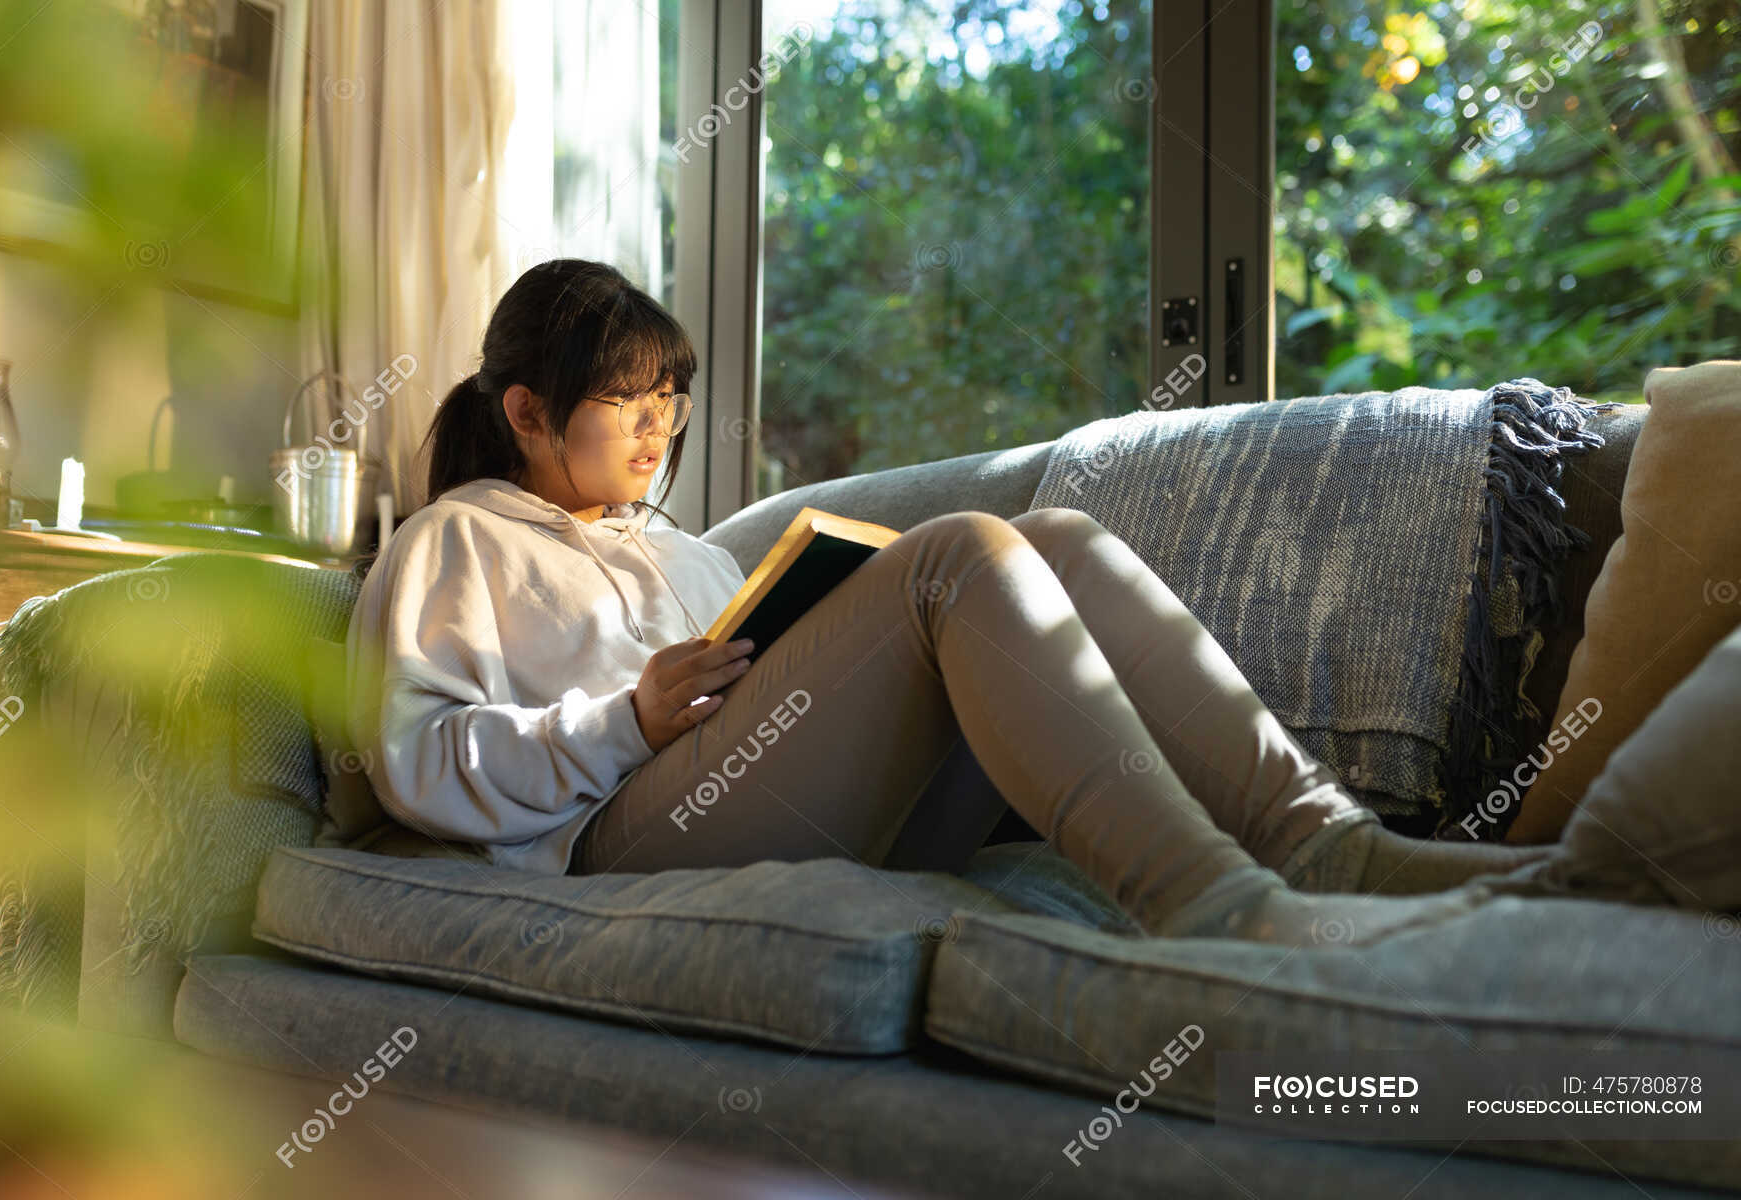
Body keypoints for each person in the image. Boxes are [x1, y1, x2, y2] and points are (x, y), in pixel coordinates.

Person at [345, 259, 1713, 949]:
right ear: (527, 412)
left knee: (1049, 533)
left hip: (780, 792)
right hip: (627, 835)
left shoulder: (681, 547)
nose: (657, 430)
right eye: (622, 403)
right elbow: (419, 764)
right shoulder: (457, 543)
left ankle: (1333, 850)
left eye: (670, 402)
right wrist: (619, 720)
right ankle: (1226, 914)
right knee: (954, 558)